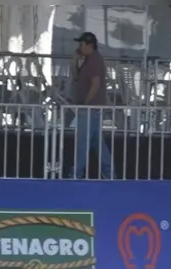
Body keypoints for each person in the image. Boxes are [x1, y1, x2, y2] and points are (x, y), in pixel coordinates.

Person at [69, 31, 115, 180]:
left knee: (83, 142)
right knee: (98, 143)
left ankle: (76, 173)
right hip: (91, 108)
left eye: (81, 44)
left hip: (90, 108)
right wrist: (75, 62)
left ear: (89, 45)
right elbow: (77, 78)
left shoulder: (94, 60)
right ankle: (110, 173)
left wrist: (85, 103)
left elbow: (95, 84)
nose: (79, 47)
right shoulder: (88, 60)